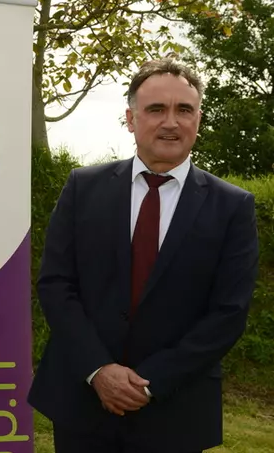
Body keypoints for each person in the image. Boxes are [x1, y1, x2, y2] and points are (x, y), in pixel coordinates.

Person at [27, 57, 259, 453]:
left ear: (198, 119)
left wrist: (150, 381)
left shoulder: (232, 206)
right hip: (83, 403)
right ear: (131, 119)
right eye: (156, 109)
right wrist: (99, 370)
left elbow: (228, 312)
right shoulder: (84, 188)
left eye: (183, 110)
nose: (171, 122)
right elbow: (56, 285)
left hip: (176, 410)